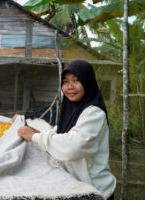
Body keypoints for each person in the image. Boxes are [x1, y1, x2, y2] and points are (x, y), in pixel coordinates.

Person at [13, 59, 116, 200]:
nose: (70, 87)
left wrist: (34, 136)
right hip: (75, 186)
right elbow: (58, 133)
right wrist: (29, 127)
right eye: (65, 82)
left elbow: (72, 147)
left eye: (76, 80)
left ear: (88, 82)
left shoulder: (94, 113)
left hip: (94, 192)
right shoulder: (72, 109)